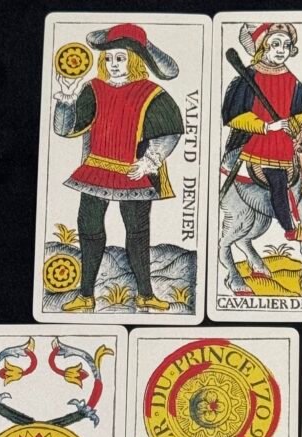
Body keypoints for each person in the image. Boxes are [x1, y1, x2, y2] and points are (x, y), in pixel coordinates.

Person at [53, 23, 183, 312]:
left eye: (120, 58)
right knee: (89, 229)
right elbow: (65, 130)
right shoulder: (92, 88)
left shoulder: (152, 93)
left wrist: (149, 161)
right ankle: (86, 295)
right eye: (108, 58)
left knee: (137, 234)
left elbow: (170, 132)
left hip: (133, 173)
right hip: (95, 170)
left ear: (135, 60)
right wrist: (66, 101)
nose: (113, 64)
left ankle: (145, 294)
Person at [221, 23, 302, 241]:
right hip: (260, 142)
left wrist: (292, 123)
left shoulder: (292, 80)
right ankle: (290, 229)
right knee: (278, 181)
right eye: (276, 44)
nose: (282, 50)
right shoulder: (247, 78)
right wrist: (267, 126)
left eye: (286, 45)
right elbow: (234, 115)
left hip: (287, 140)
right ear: (263, 46)